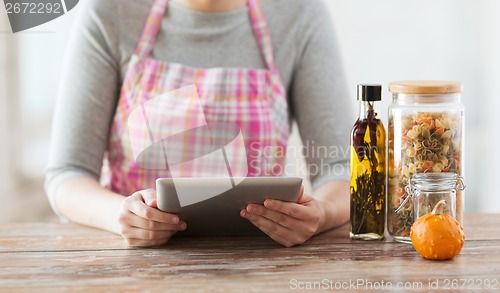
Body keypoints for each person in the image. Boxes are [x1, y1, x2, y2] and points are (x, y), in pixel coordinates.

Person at [46, 0, 354, 247]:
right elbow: (68, 174)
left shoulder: (300, 14)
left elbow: (340, 167)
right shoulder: (110, 11)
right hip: (136, 268)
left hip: (259, 263)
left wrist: (322, 213)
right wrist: (120, 215)